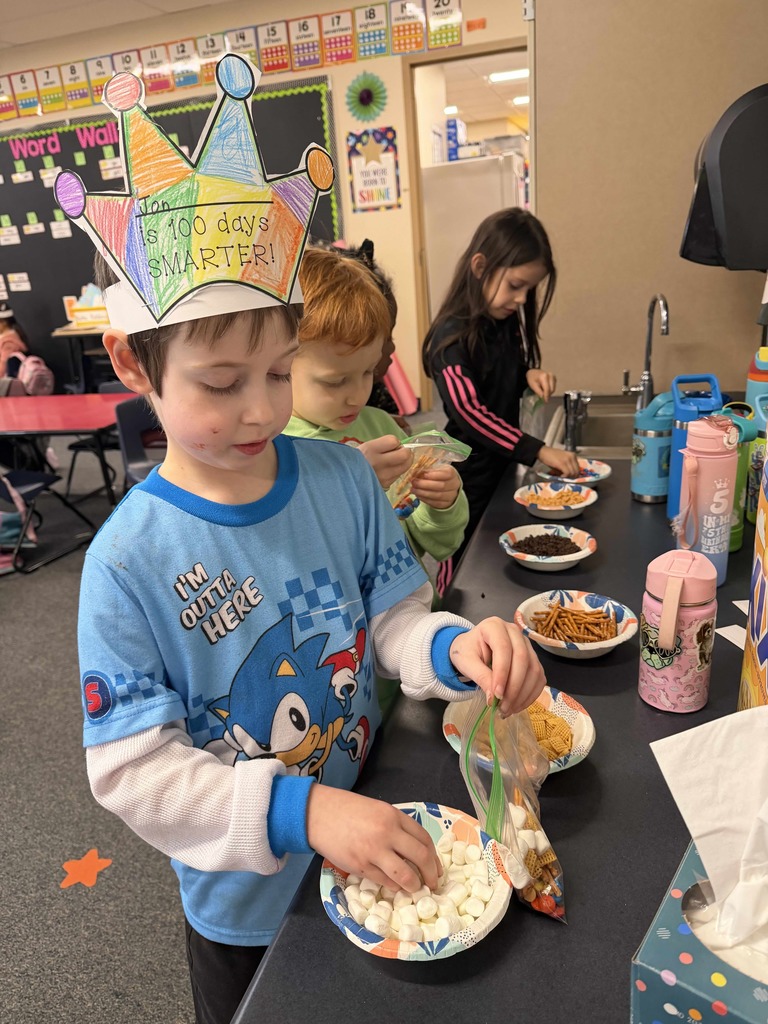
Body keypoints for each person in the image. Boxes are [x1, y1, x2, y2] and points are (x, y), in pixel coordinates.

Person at [285, 247, 471, 717]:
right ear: (279, 365)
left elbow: (433, 543)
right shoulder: (275, 449)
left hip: (404, 633)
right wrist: (349, 486)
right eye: (333, 380)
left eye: (368, 372)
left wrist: (441, 505)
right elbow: (290, 550)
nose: (357, 393)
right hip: (328, 658)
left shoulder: (377, 427)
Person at [422, 208, 580, 588]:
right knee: (462, 563)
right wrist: (538, 450)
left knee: (495, 562)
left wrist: (528, 373)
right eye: (515, 285)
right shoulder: (450, 338)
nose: (522, 298)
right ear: (480, 266)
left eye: (529, 289)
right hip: (467, 477)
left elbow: (501, 369)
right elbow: (469, 411)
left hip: (502, 465)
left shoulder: (503, 322)